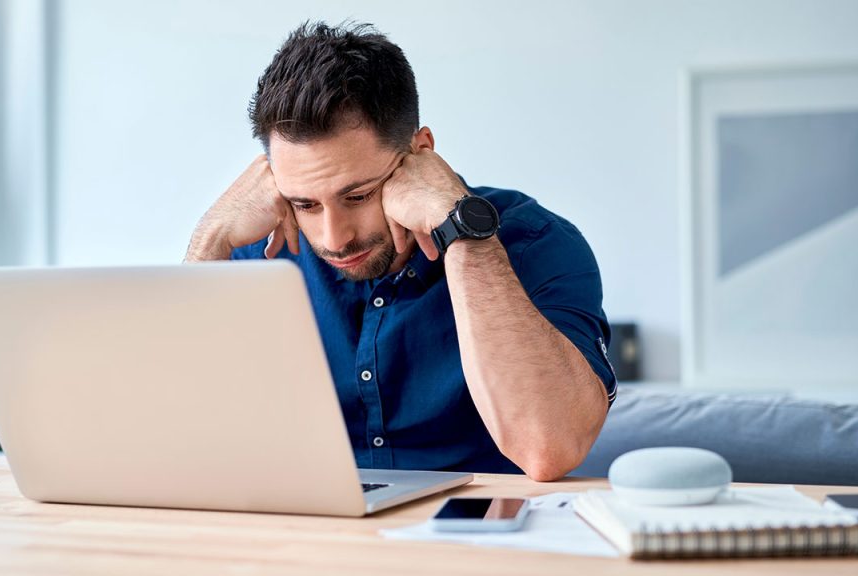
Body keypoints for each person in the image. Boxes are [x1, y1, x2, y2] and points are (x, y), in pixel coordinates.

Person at [184, 21, 615, 481]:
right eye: (304, 203)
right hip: (308, 536)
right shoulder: (259, 254)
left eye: (358, 196)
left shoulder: (536, 243)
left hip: (475, 540)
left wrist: (463, 231)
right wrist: (209, 238)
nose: (334, 238)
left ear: (420, 152)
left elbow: (549, 448)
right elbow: (176, 443)